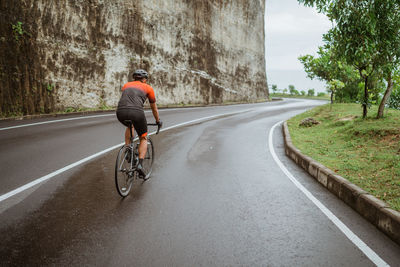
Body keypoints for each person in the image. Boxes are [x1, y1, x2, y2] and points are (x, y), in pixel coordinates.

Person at [116, 69, 162, 177]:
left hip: (120, 112)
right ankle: (140, 165)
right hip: (136, 112)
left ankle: (128, 150)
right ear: (144, 79)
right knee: (143, 137)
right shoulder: (148, 88)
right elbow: (154, 108)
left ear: (134, 78)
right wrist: (157, 121)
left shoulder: (126, 85)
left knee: (129, 125)